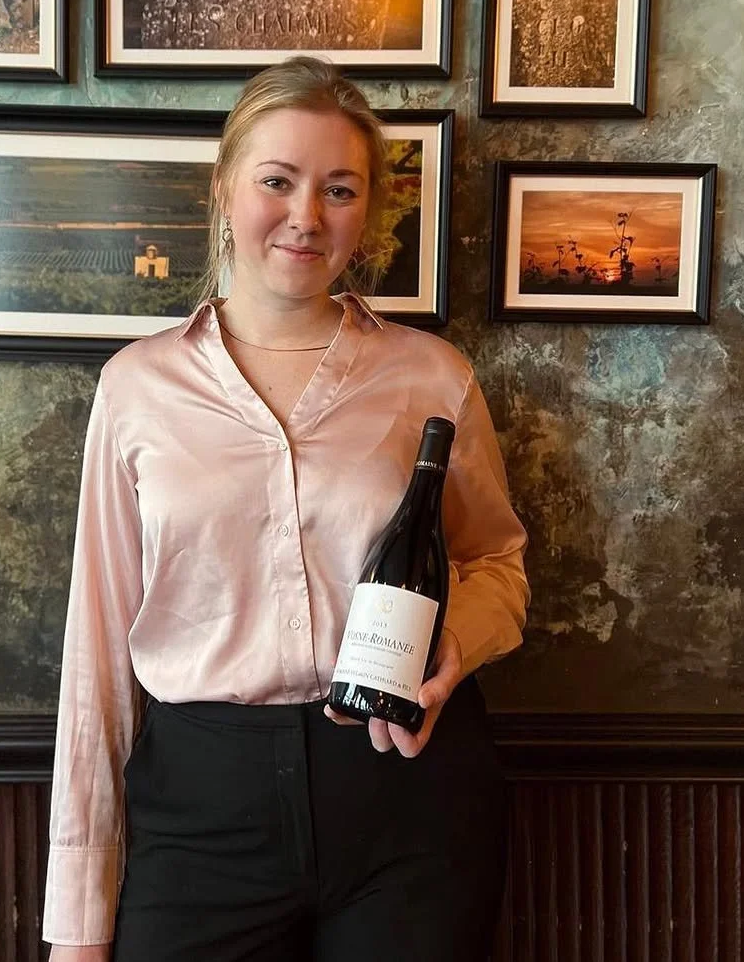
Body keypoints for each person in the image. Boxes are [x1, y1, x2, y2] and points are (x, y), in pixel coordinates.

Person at [44, 56, 529, 962]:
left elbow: (497, 564)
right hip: (201, 810)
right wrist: (77, 920)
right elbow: (97, 656)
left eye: (339, 189)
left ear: (368, 212)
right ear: (226, 187)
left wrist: (451, 646)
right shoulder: (136, 388)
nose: (307, 216)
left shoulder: (432, 375)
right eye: (278, 180)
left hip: (409, 798)